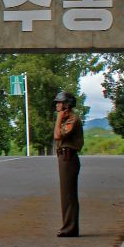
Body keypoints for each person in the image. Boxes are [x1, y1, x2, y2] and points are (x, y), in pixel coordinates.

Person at [53, 90, 84, 237]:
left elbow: (57, 135)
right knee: (65, 195)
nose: (57, 105)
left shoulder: (72, 119)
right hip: (63, 157)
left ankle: (70, 228)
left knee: (69, 195)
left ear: (67, 105)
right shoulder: (67, 119)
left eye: (60, 102)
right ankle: (68, 226)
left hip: (68, 158)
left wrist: (59, 118)